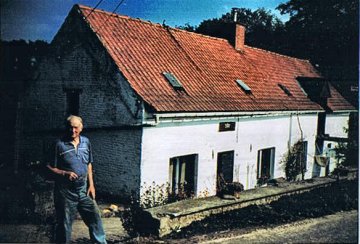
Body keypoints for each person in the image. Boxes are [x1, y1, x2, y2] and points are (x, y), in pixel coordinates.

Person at [47, 115, 106, 244]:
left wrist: (91, 185)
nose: (72, 131)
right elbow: (48, 167)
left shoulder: (86, 142)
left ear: (81, 127)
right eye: (70, 127)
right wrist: (64, 173)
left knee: (95, 219)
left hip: (84, 190)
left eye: (75, 127)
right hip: (65, 192)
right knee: (64, 225)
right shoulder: (58, 144)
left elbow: (89, 164)